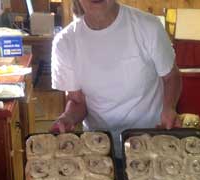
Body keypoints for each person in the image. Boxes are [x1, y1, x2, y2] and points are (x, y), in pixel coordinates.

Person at [50, 0, 182, 155]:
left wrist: (169, 108)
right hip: (99, 146)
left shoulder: (148, 26)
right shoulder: (65, 42)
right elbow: (78, 101)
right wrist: (67, 117)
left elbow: (171, 77)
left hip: (150, 139)